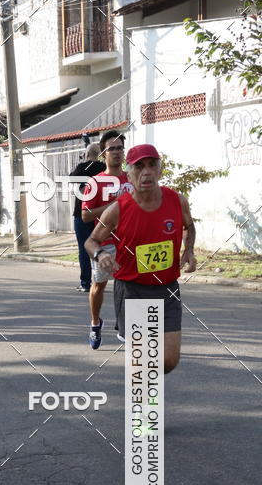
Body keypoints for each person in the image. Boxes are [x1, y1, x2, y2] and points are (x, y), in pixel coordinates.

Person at [86, 143, 196, 373]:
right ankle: (142, 405)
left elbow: (189, 226)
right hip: (133, 290)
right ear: (130, 173)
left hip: (168, 289)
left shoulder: (177, 200)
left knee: (169, 360)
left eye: (152, 165)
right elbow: (91, 241)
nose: (146, 171)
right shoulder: (119, 208)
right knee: (144, 362)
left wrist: (189, 250)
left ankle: (145, 387)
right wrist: (101, 254)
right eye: (139, 166)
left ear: (160, 170)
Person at [82, 130, 134, 349]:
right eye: (111, 148)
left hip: (130, 243)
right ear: (103, 153)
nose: (116, 152)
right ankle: (95, 322)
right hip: (105, 243)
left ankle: (127, 326)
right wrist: (115, 207)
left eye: (120, 148)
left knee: (133, 287)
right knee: (99, 286)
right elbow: (85, 215)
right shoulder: (95, 182)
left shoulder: (133, 178)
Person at [70, 144, 105, 292]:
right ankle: (100, 281)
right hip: (101, 213)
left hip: (82, 212)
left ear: (86, 153)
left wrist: (84, 161)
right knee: (100, 247)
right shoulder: (103, 167)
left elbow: (71, 178)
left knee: (84, 249)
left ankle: (86, 283)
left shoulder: (82, 166)